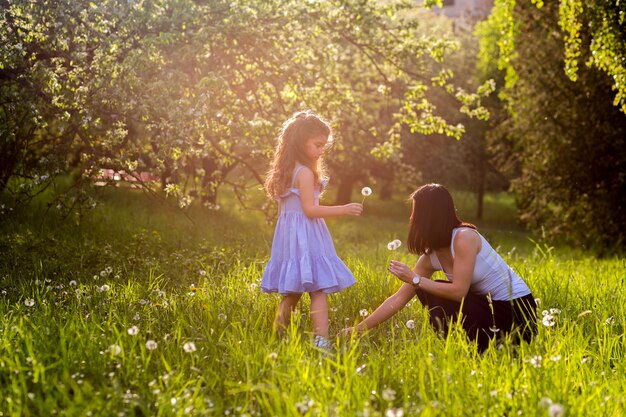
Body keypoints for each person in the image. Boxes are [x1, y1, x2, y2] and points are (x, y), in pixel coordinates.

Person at [344, 184, 537, 352]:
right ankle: (463, 348)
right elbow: (399, 298)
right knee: (428, 290)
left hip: (517, 311)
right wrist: (358, 329)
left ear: (429, 215)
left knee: (428, 286)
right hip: (490, 310)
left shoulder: (464, 237)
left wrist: (416, 279)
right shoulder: (432, 255)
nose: (411, 218)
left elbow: (459, 292)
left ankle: (478, 349)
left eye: (415, 212)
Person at [261, 110, 363, 351]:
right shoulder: (304, 173)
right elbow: (309, 210)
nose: (320, 151)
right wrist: (344, 209)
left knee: (293, 290)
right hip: (307, 234)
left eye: (323, 147)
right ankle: (322, 341)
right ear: (300, 141)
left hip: (290, 236)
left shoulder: (287, 171)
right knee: (318, 287)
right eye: (317, 145)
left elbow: (287, 211)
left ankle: (278, 336)